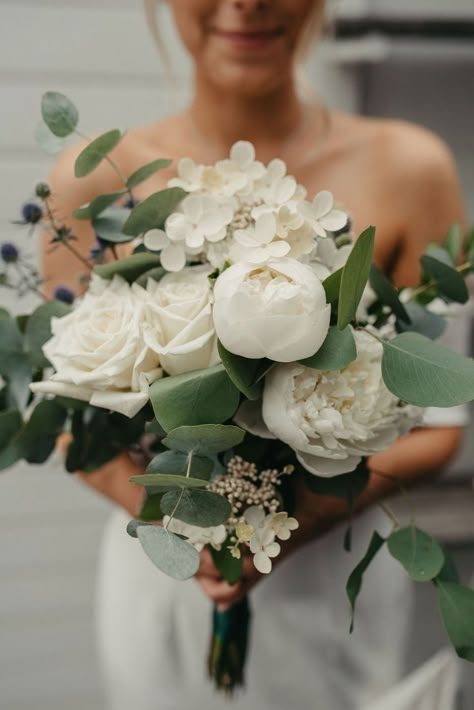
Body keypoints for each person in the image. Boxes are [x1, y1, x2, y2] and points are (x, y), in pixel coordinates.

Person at [42, 1, 469, 708]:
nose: (247, 1)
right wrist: (185, 531)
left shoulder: (410, 167)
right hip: (164, 573)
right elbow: (60, 417)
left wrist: (286, 521)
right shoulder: (90, 182)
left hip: (333, 589)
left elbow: (443, 427)